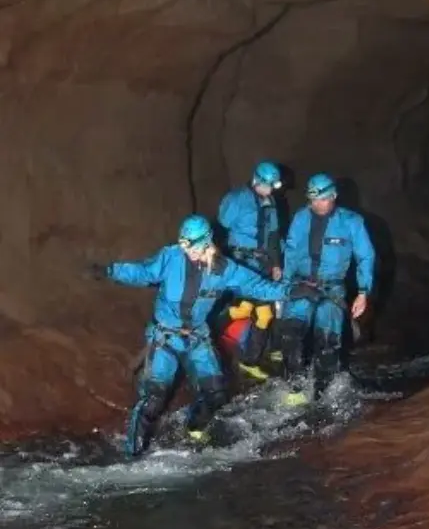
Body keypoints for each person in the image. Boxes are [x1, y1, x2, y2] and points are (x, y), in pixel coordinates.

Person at [87, 214, 318, 457]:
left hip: (197, 338)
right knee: (153, 398)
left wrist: (293, 291)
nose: (188, 250)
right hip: (165, 337)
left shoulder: (224, 269)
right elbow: (141, 271)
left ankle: (193, 426)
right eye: (184, 244)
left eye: (193, 245)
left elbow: (257, 286)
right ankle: (132, 455)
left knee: (216, 393)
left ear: (207, 241)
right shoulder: (170, 257)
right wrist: (109, 270)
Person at [279, 173, 375, 404]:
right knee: (290, 335)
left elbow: (365, 257)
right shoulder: (301, 218)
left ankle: (322, 395)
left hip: (331, 289)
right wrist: (283, 289)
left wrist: (363, 292)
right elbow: (291, 253)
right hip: (301, 285)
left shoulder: (351, 222)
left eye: (322, 199)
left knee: (327, 343)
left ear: (333, 196)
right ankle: (295, 389)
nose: (317, 204)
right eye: (313, 199)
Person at [217, 160, 285, 381]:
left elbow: (273, 236)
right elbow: (221, 225)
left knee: (256, 311)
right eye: (266, 185)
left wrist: (276, 263)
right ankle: (209, 330)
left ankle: (248, 359)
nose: (268, 190)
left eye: (272, 187)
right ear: (256, 181)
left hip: (262, 263)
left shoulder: (270, 203)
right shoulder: (236, 199)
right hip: (241, 261)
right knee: (253, 311)